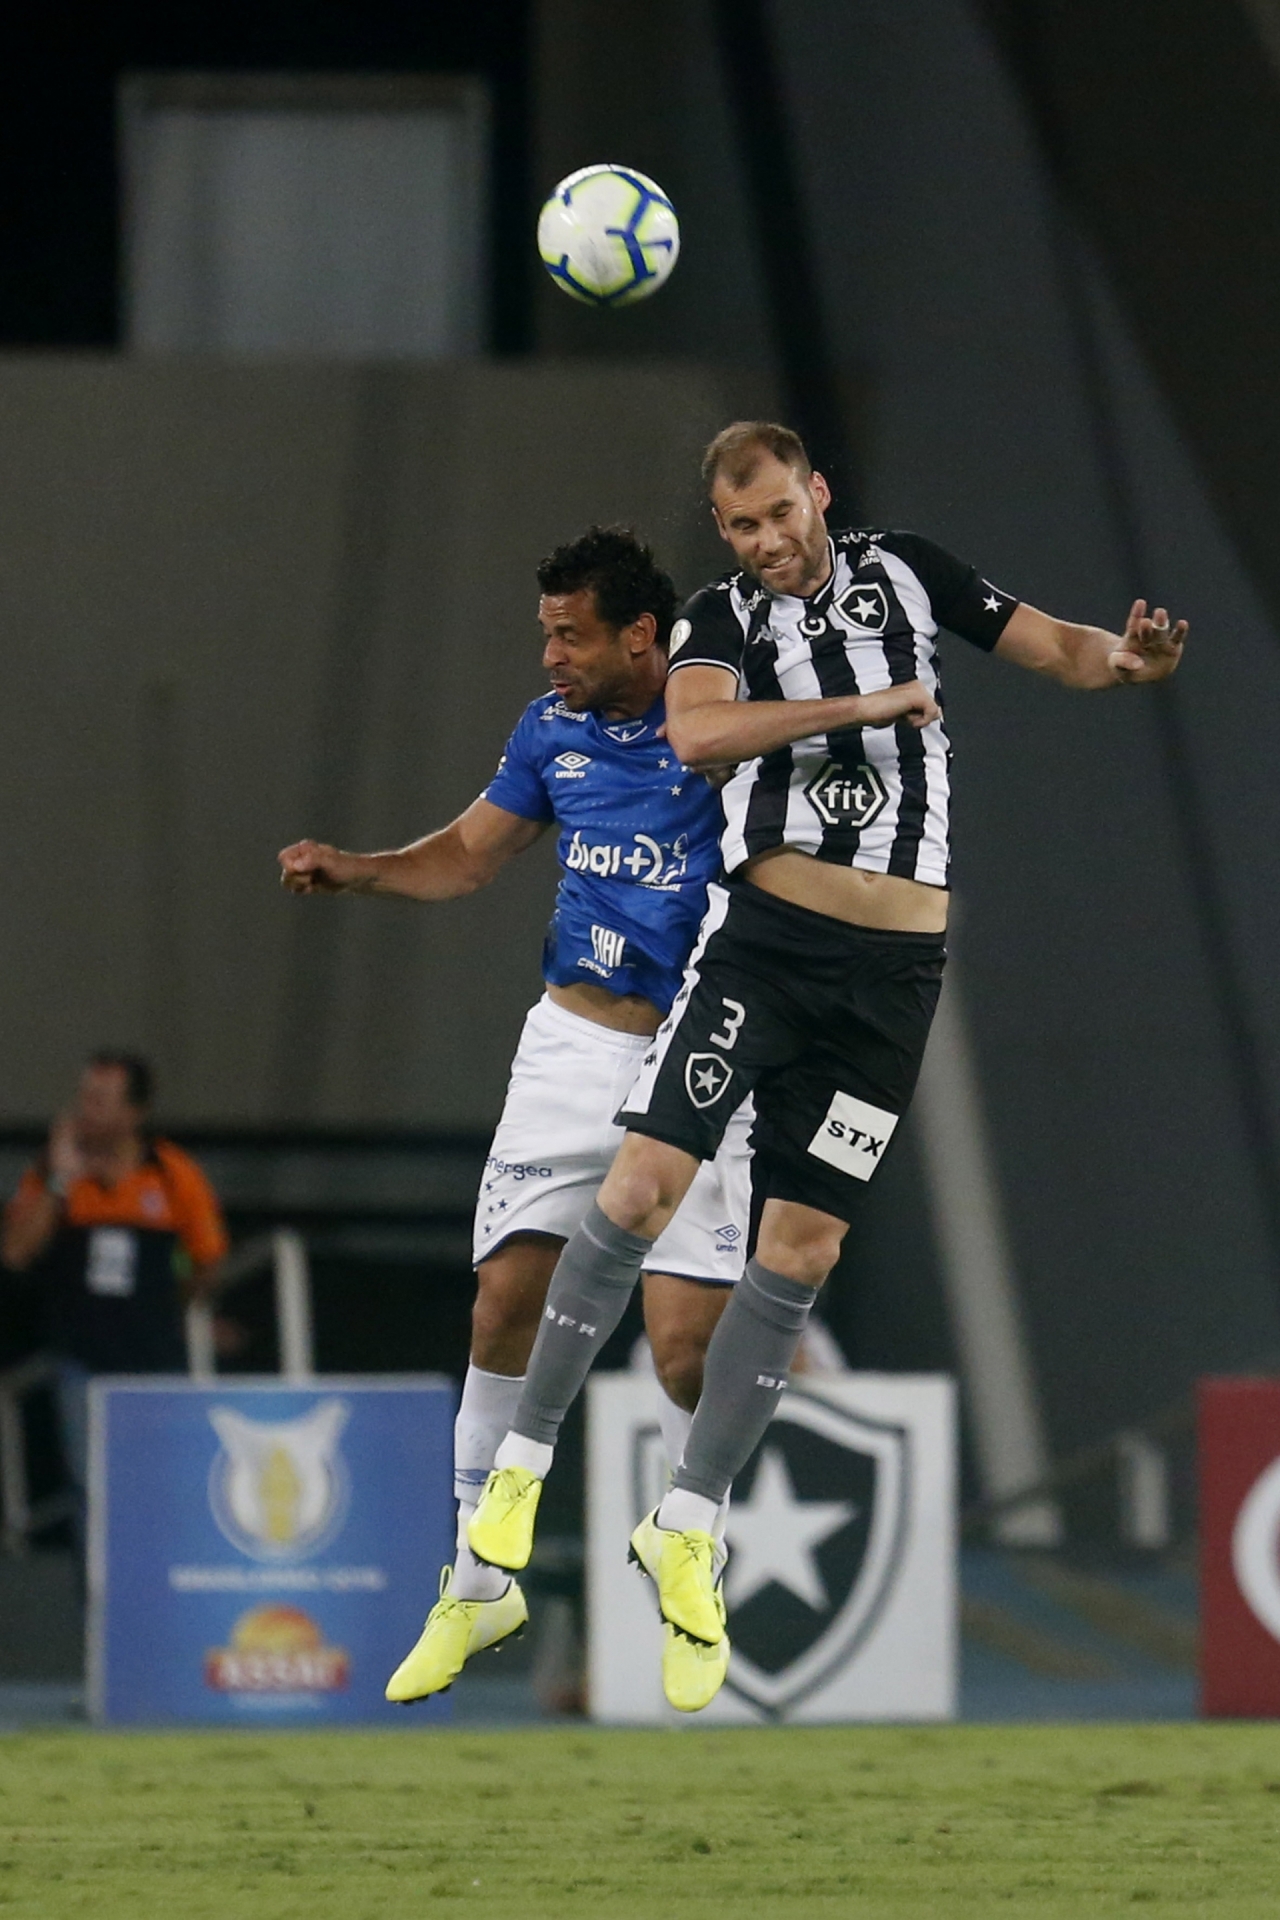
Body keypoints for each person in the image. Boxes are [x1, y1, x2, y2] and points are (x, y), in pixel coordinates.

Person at [467, 419, 1188, 1708]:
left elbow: (1051, 646)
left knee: (801, 1255)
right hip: (766, 950)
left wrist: (1123, 661)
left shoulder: (907, 571)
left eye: (778, 516)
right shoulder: (718, 618)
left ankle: (687, 1523)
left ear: (817, 494)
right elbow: (696, 737)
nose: (764, 543)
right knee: (636, 1190)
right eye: (740, 526)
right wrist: (863, 705)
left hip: (894, 983)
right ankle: (517, 1475)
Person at [278, 526, 752, 1711]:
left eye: (568, 636)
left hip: (700, 1052)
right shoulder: (549, 733)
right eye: (545, 634)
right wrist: (358, 867)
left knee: (686, 1347)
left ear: (639, 636)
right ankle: (477, 1579)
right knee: (502, 1303)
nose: (549, 657)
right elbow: (466, 858)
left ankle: (692, 1544)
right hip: (571, 1049)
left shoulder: (726, 722)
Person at [1, 1053, 229, 1521]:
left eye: (100, 1101)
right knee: (93, 1490)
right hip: (81, 1364)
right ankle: (95, 1572)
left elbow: (208, 1258)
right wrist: (60, 1179)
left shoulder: (171, 1173)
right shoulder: (53, 1172)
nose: (85, 1110)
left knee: (161, 1484)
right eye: (84, 1097)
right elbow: (15, 1253)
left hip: (155, 1366)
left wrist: (174, 1307)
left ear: (133, 1113)